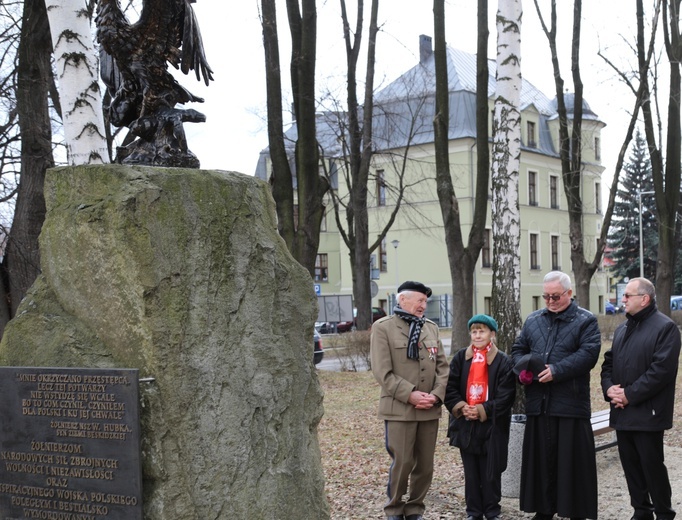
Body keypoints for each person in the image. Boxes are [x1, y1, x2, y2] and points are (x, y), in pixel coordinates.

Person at [511, 271, 601, 520]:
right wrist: (523, 368)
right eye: (546, 297)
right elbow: (518, 349)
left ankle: (576, 511)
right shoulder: (533, 320)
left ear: (569, 294)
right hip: (539, 404)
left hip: (570, 404)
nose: (550, 301)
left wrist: (557, 371)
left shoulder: (586, 321)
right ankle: (544, 509)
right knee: (541, 463)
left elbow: (588, 355)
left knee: (572, 464)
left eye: (555, 296)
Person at [600, 277, 681, 520]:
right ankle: (641, 512)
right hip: (622, 412)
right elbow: (608, 364)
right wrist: (609, 389)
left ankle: (664, 514)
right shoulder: (622, 328)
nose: (622, 300)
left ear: (644, 299)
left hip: (648, 413)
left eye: (627, 296)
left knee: (652, 467)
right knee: (631, 467)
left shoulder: (665, 328)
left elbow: (661, 372)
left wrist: (628, 395)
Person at [370, 280, 449, 520]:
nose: (424, 305)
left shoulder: (431, 328)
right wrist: (410, 394)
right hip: (400, 409)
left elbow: (443, 368)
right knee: (403, 463)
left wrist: (436, 395)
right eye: (420, 300)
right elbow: (382, 372)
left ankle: (415, 508)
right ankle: (394, 509)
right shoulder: (383, 328)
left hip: (428, 409)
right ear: (403, 300)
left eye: (426, 301)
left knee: (425, 465)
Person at [445, 314, 515, 520]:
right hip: (466, 425)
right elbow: (449, 389)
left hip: (492, 426)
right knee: (472, 473)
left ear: (492, 334)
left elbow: (506, 396)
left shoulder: (503, 361)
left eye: (482, 331)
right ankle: (474, 511)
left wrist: (482, 410)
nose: (477, 335)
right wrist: (461, 407)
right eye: (474, 332)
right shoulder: (460, 358)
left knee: (491, 471)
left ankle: (492, 511)